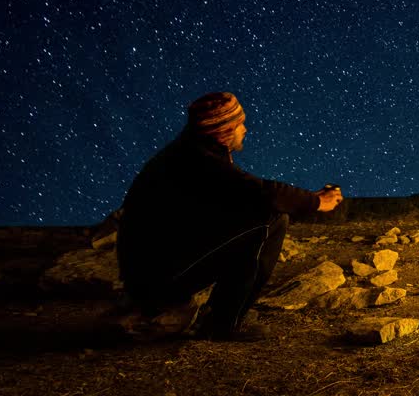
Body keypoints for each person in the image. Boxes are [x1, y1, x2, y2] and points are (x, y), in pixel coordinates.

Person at [117, 92, 342, 340]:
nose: (245, 129)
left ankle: (202, 313)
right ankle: (221, 324)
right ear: (222, 130)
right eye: (239, 125)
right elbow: (264, 193)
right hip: (156, 279)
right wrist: (318, 202)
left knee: (254, 218)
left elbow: (245, 194)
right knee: (271, 221)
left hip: (151, 272)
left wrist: (309, 198)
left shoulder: (191, 151)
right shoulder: (198, 159)